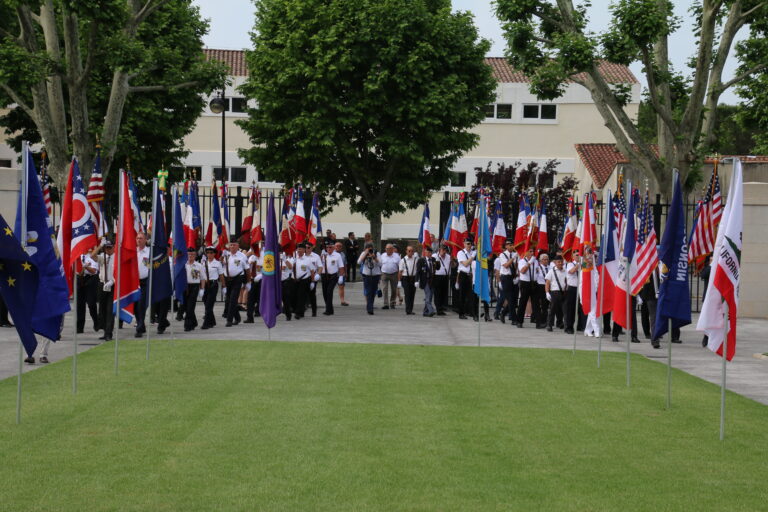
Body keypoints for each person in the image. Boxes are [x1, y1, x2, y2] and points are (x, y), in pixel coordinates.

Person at [222, 241, 249, 326]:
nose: (232, 246)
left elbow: (247, 270)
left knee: (233, 299)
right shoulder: (227, 255)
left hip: (238, 278)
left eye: (234, 245)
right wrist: (222, 256)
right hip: (228, 279)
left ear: (238, 246)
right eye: (231, 245)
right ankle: (237, 317)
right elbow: (221, 264)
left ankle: (229, 320)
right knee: (228, 300)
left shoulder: (242, 256)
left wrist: (248, 282)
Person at [77, 246, 100, 334]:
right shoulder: (77, 253)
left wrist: (85, 267)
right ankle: (80, 327)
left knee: (91, 303)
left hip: (90, 279)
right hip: (79, 279)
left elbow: (94, 271)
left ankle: (96, 321)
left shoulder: (91, 255)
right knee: (80, 304)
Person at [201, 246, 224, 329]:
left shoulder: (217, 263)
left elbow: (221, 276)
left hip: (213, 285)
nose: (209, 254)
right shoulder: (204, 263)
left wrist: (224, 287)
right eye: (207, 253)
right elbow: (202, 276)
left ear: (214, 254)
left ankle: (206, 323)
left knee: (209, 305)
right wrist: (201, 287)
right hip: (206, 285)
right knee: (205, 301)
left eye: (211, 253)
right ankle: (212, 321)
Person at [320, 241, 345, 315]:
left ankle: (328, 310)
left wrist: (341, 276)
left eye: (330, 247)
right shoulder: (324, 255)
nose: (328, 248)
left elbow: (341, 267)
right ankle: (330, 309)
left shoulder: (337, 255)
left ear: (334, 247)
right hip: (324, 276)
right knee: (325, 293)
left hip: (333, 276)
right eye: (327, 247)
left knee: (329, 292)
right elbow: (319, 265)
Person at [497, 239, 518, 325]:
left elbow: (515, 266)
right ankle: (514, 319)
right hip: (505, 278)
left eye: (512, 244)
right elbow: (506, 265)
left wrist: (516, 274)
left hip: (512, 277)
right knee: (510, 298)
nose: (511, 246)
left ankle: (503, 312)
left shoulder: (514, 254)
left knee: (513, 299)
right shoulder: (502, 255)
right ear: (506, 246)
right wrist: (513, 258)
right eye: (509, 244)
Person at [97, 241, 115, 342]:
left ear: (113, 247)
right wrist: (100, 246)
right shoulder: (102, 256)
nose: (108, 250)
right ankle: (105, 331)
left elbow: (118, 272)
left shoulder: (117, 257)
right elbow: (92, 256)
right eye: (106, 248)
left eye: (109, 248)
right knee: (102, 310)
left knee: (110, 310)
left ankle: (109, 333)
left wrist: (112, 281)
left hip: (112, 284)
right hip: (102, 284)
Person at [545, 255, 567, 332]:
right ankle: (549, 325)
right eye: (558, 262)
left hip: (564, 292)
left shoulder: (565, 270)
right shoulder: (551, 271)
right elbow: (547, 283)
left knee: (565, 310)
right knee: (552, 310)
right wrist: (547, 293)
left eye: (561, 261)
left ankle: (565, 326)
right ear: (555, 262)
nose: (560, 263)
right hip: (554, 292)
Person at [134, 232, 151, 338]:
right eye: (137, 238)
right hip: (134, 282)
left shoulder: (149, 252)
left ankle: (139, 328)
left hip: (145, 281)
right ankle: (141, 324)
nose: (139, 240)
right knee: (135, 306)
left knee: (142, 305)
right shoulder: (133, 252)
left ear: (145, 240)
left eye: (141, 238)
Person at [184, 248, 204, 331]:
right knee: (186, 306)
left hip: (194, 286)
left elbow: (203, 278)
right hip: (185, 286)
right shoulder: (183, 264)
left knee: (191, 306)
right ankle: (194, 322)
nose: (190, 256)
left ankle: (188, 325)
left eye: (192, 254)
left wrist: (202, 289)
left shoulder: (199, 266)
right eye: (189, 254)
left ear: (195, 255)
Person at [358, 242, 381, 315]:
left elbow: (381, 264)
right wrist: (365, 254)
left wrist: (374, 257)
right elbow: (358, 262)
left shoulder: (377, 254)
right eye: (368, 248)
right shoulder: (363, 253)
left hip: (375, 275)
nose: (370, 249)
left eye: (371, 248)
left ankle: (370, 305)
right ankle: (370, 308)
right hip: (367, 275)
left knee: (373, 292)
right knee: (368, 292)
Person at [515, 248, 536, 328]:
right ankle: (519, 321)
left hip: (533, 282)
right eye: (530, 251)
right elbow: (523, 271)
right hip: (525, 283)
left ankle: (536, 320)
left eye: (532, 251)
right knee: (523, 302)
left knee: (536, 303)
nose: (532, 253)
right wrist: (529, 263)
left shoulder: (535, 261)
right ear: (526, 252)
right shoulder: (522, 261)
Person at [292, 243, 314, 319]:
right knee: (295, 297)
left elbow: (312, 271)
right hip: (295, 280)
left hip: (304, 280)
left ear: (304, 250)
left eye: (300, 249)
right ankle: (300, 312)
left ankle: (298, 313)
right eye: (298, 249)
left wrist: (312, 282)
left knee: (301, 297)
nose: (299, 251)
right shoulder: (294, 259)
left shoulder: (308, 260)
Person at [417, 245, 438, 317]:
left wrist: (438, 263)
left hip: (432, 280)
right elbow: (418, 271)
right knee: (428, 295)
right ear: (425, 253)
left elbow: (437, 268)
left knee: (429, 296)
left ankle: (425, 312)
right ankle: (431, 310)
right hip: (425, 280)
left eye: (430, 252)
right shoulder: (421, 260)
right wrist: (416, 280)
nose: (429, 254)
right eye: (428, 252)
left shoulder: (433, 259)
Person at [456, 238, 475, 320]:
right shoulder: (461, 253)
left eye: (470, 243)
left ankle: (471, 312)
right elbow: (466, 264)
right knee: (462, 295)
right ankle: (461, 313)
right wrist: (473, 256)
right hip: (463, 275)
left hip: (470, 275)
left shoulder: (472, 252)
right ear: (464, 244)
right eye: (467, 243)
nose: (469, 245)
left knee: (471, 295)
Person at [398, 245, 419, 315]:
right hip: (405, 278)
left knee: (412, 294)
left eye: (412, 251)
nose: (410, 252)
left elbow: (417, 270)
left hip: (413, 278)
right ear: (406, 251)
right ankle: (408, 310)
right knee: (407, 294)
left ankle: (411, 309)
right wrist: (399, 281)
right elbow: (400, 272)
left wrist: (417, 280)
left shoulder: (416, 259)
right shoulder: (402, 260)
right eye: (409, 251)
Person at [379, 244, 400, 310]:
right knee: (384, 289)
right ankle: (386, 304)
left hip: (394, 274)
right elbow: (380, 264)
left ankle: (392, 303)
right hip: (384, 273)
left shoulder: (396, 256)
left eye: (389, 249)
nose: (388, 250)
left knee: (394, 289)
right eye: (387, 248)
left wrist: (399, 275)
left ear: (392, 249)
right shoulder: (382, 255)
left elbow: (400, 266)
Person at [244, 246, 262, 323]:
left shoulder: (263, 258)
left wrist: (261, 276)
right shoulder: (251, 257)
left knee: (260, 298)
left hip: (261, 279)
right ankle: (249, 317)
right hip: (252, 280)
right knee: (250, 300)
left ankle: (259, 311)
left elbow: (268, 269)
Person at [563, 251, 579, 334]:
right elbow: (571, 271)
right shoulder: (570, 264)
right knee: (570, 309)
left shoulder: (581, 264)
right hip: (572, 288)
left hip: (580, 287)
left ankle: (580, 325)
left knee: (579, 309)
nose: (578, 256)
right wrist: (579, 264)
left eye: (579, 255)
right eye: (577, 255)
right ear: (573, 256)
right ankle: (569, 327)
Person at [433, 244, 451, 316]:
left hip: (445, 276)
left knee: (444, 293)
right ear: (439, 250)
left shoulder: (448, 257)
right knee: (438, 293)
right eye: (442, 250)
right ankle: (438, 309)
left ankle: (441, 307)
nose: (444, 252)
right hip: (437, 277)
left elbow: (451, 266)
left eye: (445, 250)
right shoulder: (435, 256)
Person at [306, 241, 323, 317]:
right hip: (304, 278)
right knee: (302, 294)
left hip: (313, 277)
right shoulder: (301, 256)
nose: (307, 249)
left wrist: (318, 275)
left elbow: (320, 267)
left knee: (312, 295)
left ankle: (314, 311)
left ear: (312, 248)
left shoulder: (316, 256)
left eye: (308, 248)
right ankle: (302, 309)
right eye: (305, 247)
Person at [534, 253, 550, 329]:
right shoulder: (538, 268)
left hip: (548, 286)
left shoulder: (550, 268)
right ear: (540, 260)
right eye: (544, 259)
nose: (546, 261)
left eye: (547, 259)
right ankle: (538, 321)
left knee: (545, 305)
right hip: (540, 286)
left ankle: (544, 321)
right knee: (539, 305)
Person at [280, 251, 295, 320]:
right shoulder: (272, 258)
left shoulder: (286, 259)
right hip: (276, 281)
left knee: (285, 299)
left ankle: (288, 315)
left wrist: (284, 259)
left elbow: (290, 267)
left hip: (284, 281)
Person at [335, 241, 350, 306]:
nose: (338, 247)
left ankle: (342, 301)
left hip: (341, 273)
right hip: (333, 273)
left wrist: (346, 272)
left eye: (340, 246)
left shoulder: (343, 254)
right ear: (334, 247)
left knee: (341, 287)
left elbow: (345, 264)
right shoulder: (331, 254)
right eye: (337, 246)